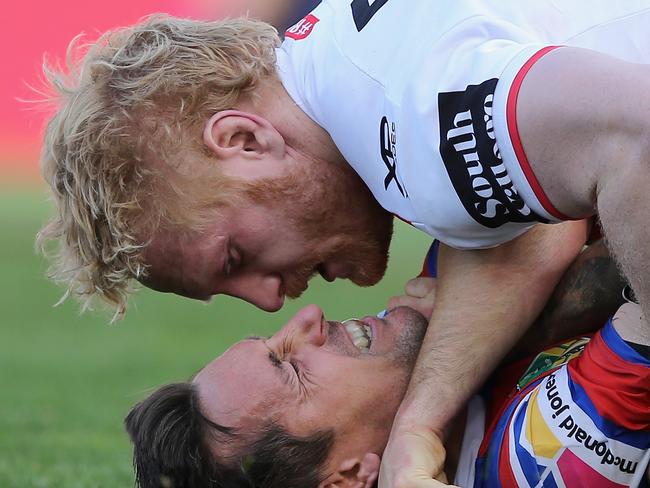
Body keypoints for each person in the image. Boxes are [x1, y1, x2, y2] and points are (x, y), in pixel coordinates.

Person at [37, 2, 650, 484]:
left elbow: (638, 136)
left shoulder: (413, 132)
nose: (275, 303)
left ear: (245, 142)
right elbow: (537, 216)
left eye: (236, 260)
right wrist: (419, 420)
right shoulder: (351, 52)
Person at [125, 286, 650, 487]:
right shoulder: (536, 458)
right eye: (293, 369)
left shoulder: (404, 354)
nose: (309, 317)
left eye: (275, 337)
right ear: (348, 474)